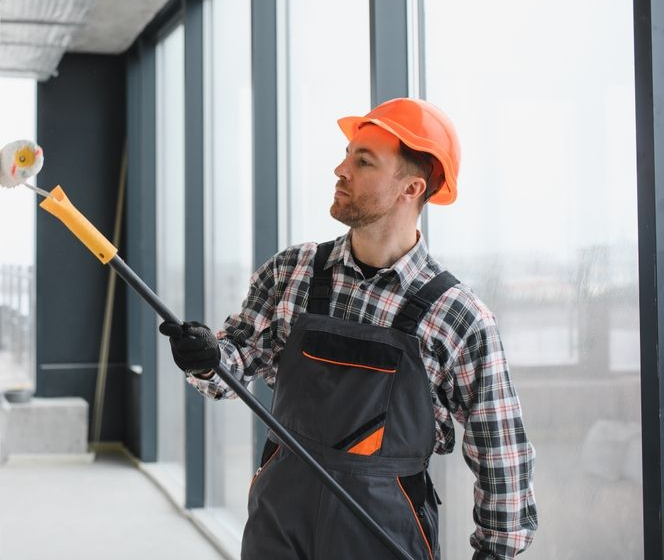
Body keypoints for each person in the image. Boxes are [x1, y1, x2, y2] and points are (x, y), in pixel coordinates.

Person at [159, 98, 537, 560]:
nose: (340, 169)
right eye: (346, 154)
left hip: (383, 532)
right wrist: (207, 358)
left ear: (411, 188)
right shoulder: (292, 271)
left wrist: (495, 553)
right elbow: (233, 367)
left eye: (363, 161)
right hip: (281, 520)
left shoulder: (456, 315)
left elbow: (501, 455)